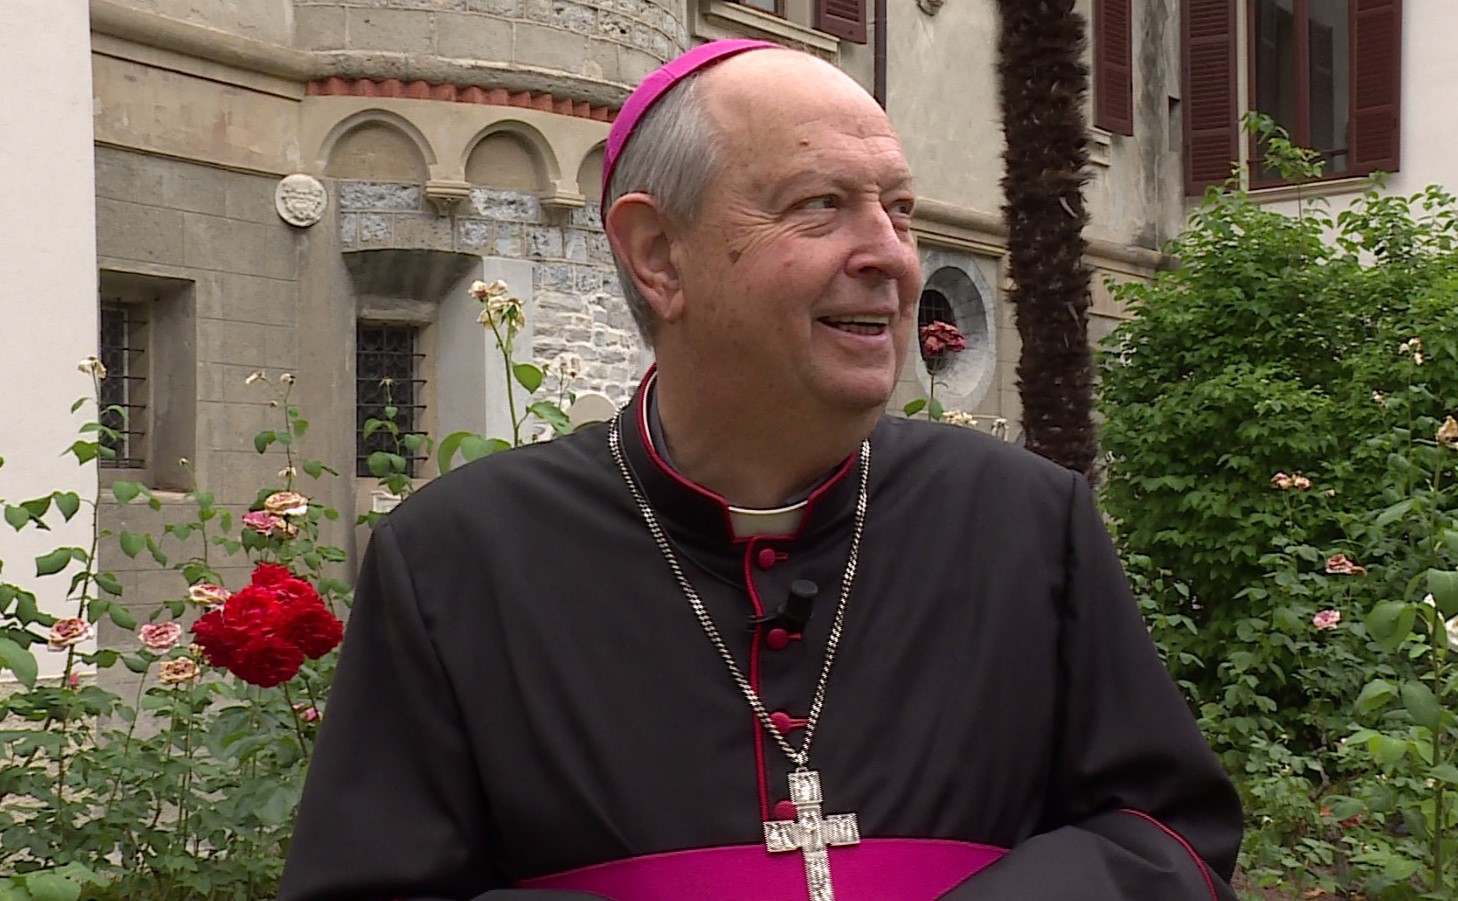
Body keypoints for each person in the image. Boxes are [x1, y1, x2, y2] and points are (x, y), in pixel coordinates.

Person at [279, 40, 1242, 901]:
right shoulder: (459, 557)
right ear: (659, 255)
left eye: (897, 208)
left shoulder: (1027, 519)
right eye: (821, 205)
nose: (893, 256)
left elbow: (1171, 835)